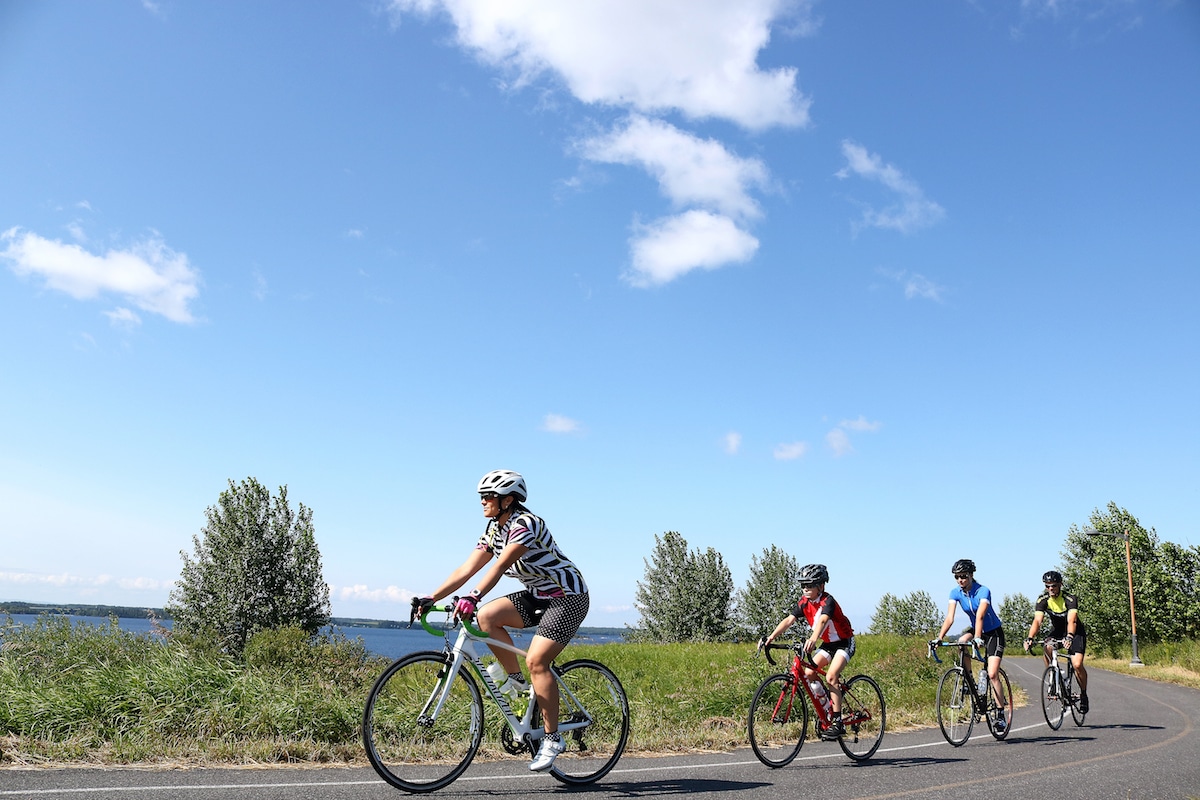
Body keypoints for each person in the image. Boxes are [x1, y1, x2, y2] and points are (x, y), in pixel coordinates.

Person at [415, 470, 589, 772]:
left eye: (489, 496)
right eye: (482, 496)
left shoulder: (526, 524)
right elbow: (467, 568)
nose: (483, 502)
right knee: (487, 617)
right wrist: (432, 597)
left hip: (568, 596)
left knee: (537, 661)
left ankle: (552, 738)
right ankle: (518, 683)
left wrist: (472, 596)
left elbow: (500, 566)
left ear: (508, 500)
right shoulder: (494, 530)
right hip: (538, 594)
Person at [761, 563, 856, 739]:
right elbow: (789, 620)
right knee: (809, 672)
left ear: (821, 586)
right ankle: (828, 705)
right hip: (828, 644)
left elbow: (822, 621)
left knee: (831, 676)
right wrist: (771, 637)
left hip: (844, 642)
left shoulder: (828, 601)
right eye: (803, 585)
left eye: (810, 585)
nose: (805, 588)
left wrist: (813, 639)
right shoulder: (804, 603)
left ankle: (838, 722)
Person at [933, 558, 1010, 732]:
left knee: (992, 674)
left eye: (963, 576)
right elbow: (950, 618)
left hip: (993, 633)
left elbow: (981, 615)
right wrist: (939, 637)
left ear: (971, 575)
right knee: (961, 642)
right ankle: (968, 680)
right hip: (976, 629)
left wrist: (977, 637)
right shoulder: (955, 592)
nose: (960, 580)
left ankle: (1000, 714)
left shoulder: (983, 591)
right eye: (957, 577)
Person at [1025, 570, 1089, 713]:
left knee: (1077, 664)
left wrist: (1070, 636)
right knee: (1047, 646)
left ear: (1060, 584)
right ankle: (1053, 676)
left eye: (1053, 586)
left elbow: (1072, 620)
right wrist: (1030, 638)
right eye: (1047, 586)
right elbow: (1037, 621)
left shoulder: (1070, 599)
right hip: (1058, 630)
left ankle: (1083, 694)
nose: (1050, 589)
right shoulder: (1043, 600)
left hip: (1075, 631)